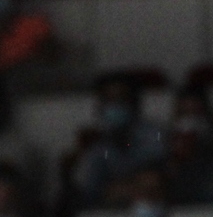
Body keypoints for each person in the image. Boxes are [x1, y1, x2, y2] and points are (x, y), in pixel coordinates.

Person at [71, 74, 167, 209]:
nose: (114, 106)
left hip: (153, 205)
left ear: (133, 103)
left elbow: (154, 176)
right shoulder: (98, 146)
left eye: (120, 99)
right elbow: (88, 187)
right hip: (111, 212)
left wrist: (124, 187)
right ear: (100, 106)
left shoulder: (153, 134)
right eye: (109, 100)